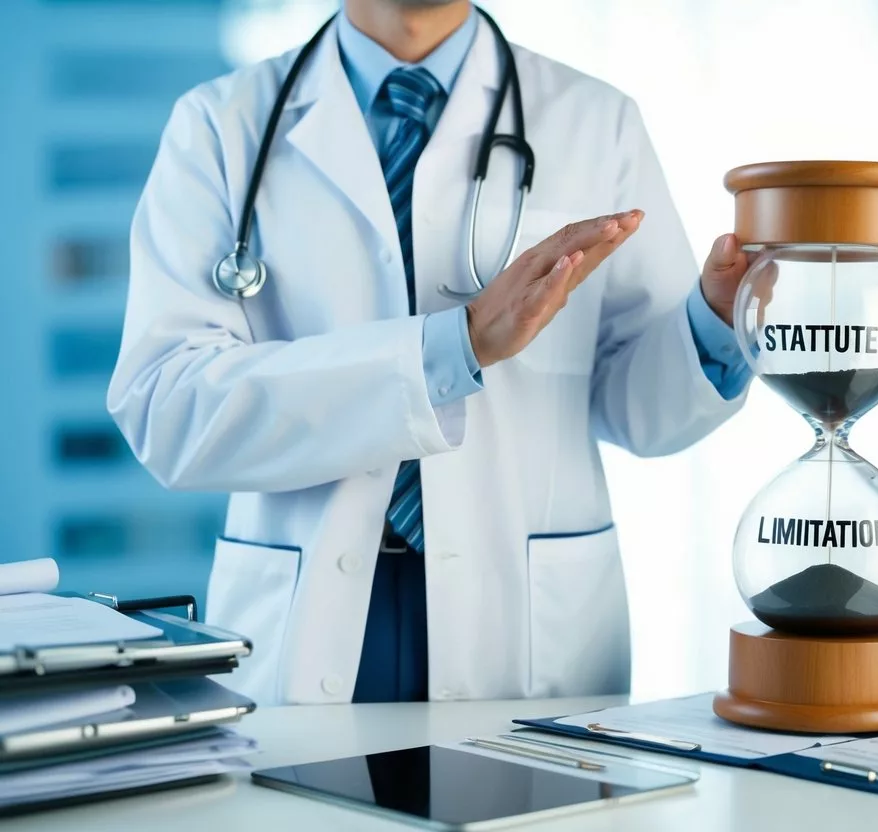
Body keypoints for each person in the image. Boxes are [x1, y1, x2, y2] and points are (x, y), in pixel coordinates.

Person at [107, 0, 753, 706]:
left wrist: (714, 324)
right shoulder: (221, 124)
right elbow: (167, 407)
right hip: (310, 605)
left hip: (520, 616)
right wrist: (454, 345)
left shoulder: (594, 120)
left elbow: (641, 413)